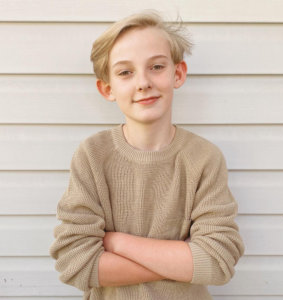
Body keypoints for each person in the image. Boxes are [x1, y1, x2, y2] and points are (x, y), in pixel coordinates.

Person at [50, 10, 244, 300]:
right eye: (125, 72)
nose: (143, 82)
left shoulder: (204, 158)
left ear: (177, 74)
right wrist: (184, 260)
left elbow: (217, 261)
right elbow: (76, 264)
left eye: (156, 66)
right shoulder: (92, 156)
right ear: (107, 89)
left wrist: (117, 242)